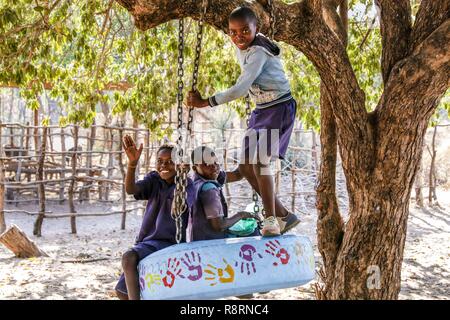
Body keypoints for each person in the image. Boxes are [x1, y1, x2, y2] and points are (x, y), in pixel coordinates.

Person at [186, 6, 300, 236]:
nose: (238, 36)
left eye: (245, 31)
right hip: (260, 110)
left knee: (260, 162)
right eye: (233, 32)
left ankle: (271, 220)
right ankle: (285, 215)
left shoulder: (258, 51)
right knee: (247, 166)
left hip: (278, 108)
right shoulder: (242, 44)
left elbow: (240, 89)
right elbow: (237, 173)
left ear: (256, 28)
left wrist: (205, 102)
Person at [115, 135, 192, 300]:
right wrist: (132, 164)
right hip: (147, 241)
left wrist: (181, 180)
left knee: (128, 258)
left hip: (169, 242)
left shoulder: (186, 184)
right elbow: (131, 189)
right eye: (160, 161)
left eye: (170, 161)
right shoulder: (154, 180)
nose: (163, 165)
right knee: (122, 292)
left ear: (179, 163)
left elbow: (180, 207)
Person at [188, 146, 259, 242]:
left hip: (198, 238)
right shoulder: (209, 189)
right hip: (210, 243)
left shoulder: (198, 179)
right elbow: (219, 226)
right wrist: (241, 215)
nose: (213, 167)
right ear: (195, 167)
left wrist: (248, 158)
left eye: (215, 162)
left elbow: (237, 175)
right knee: (254, 233)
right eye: (206, 164)